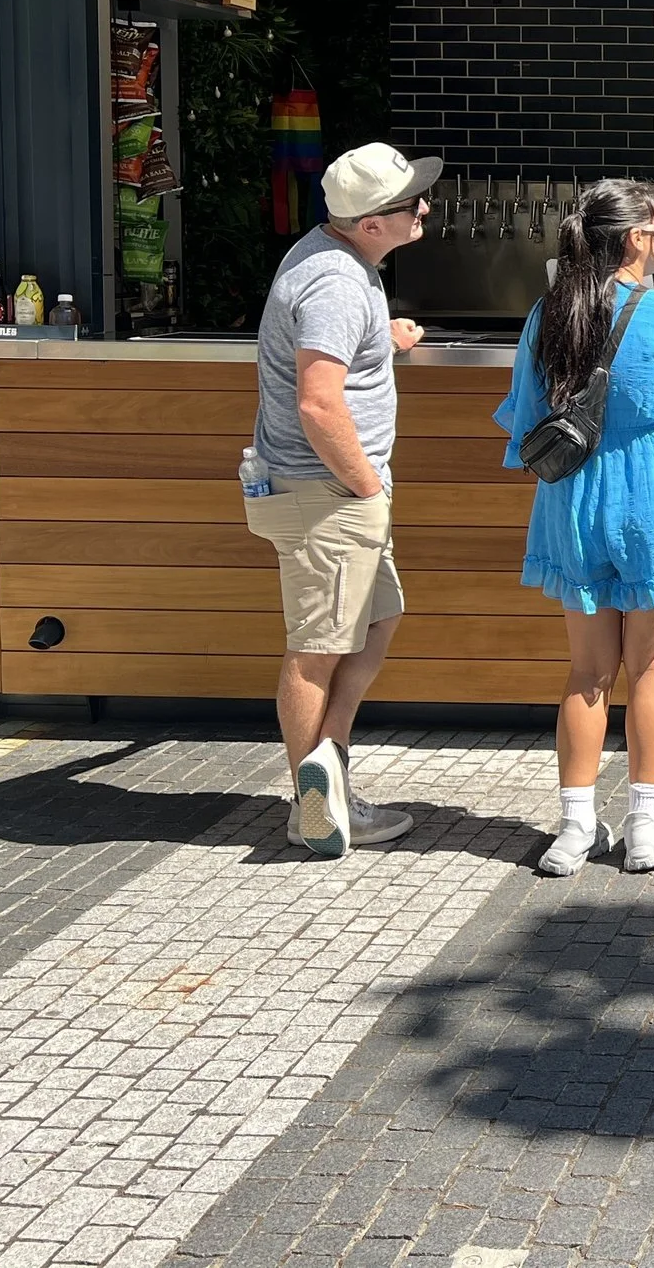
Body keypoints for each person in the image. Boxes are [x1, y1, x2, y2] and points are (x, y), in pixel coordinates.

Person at [494, 178, 654, 877]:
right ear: (635, 238)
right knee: (651, 669)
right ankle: (644, 827)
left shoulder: (549, 314)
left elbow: (523, 423)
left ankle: (574, 827)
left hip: (572, 508)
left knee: (586, 671)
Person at [247, 141, 436, 858]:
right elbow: (319, 404)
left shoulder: (341, 264)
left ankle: (328, 768)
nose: (422, 206)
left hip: (335, 493)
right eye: (408, 202)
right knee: (316, 650)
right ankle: (310, 807)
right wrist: (363, 486)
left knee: (377, 620)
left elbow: (328, 354)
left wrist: (378, 341)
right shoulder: (335, 281)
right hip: (326, 494)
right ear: (369, 223)